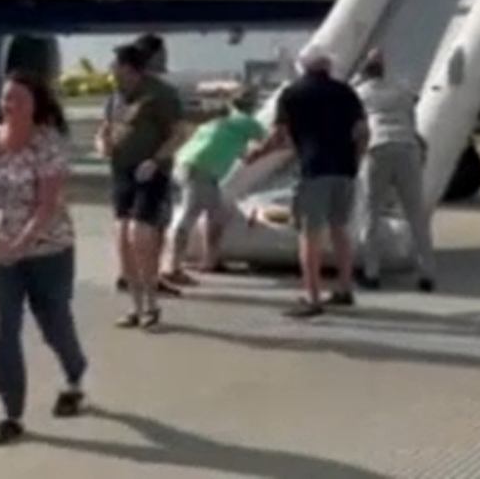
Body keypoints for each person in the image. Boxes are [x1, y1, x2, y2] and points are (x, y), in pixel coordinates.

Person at [0, 70, 88, 446]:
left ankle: (74, 376)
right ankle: (10, 413)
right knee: (4, 329)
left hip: (48, 250)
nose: (9, 105)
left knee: (54, 323)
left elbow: (47, 205)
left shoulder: (48, 145)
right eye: (5, 98)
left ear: (35, 105)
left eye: (18, 99)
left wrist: (22, 244)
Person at [242, 46, 365, 318]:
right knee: (339, 229)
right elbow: (362, 131)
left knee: (310, 235)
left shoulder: (292, 93)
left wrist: (256, 155)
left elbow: (279, 136)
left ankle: (312, 296)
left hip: (314, 169)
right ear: (328, 67)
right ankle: (345, 288)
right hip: (345, 170)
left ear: (302, 67)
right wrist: (355, 161)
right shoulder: (346, 92)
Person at [103, 41, 184, 328]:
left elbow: (177, 134)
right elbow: (108, 127)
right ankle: (135, 307)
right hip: (122, 172)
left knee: (141, 235)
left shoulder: (160, 94)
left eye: (115, 65)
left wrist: (156, 160)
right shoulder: (116, 96)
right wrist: (103, 142)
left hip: (150, 172)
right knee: (123, 237)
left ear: (129, 68)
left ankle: (152, 302)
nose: (111, 70)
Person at [352, 51, 436, 293]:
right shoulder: (401, 92)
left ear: (364, 71)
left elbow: (357, 129)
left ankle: (371, 272)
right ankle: (427, 273)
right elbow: (414, 125)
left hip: (377, 148)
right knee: (416, 214)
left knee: (371, 213)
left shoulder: (359, 94)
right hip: (407, 147)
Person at [165, 91, 264, 280]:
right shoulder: (246, 122)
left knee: (219, 212)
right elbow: (273, 139)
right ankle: (173, 267)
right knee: (190, 213)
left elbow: (243, 155)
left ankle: (210, 259)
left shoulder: (220, 124)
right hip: (202, 170)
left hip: (185, 164)